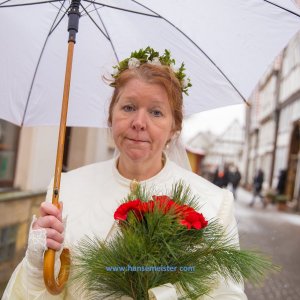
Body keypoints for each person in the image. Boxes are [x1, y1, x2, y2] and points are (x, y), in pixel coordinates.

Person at [3, 48, 247, 299]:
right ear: (111, 115)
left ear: (174, 127)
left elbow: (227, 294)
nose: (139, 122)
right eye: (129, 107)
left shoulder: (215, 203)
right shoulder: (65, 188)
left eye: (156, 112)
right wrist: (37, 265)